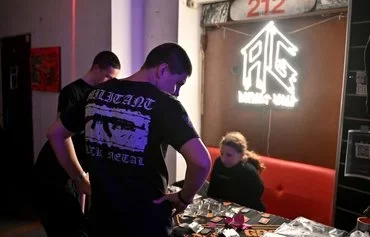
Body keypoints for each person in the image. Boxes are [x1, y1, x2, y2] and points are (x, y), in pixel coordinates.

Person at [46, 42, 211, 237]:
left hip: (102, 219)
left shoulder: (95, 93)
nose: (176, 91)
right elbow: (201, 162)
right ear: (163, 69)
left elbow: (55, 134)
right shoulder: (166, 104)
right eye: (178, 83)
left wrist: (79, 177)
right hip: (146, 223)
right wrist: (184, 198)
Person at [32, 51, 121, 237]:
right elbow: (63, 136)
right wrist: (79, 177)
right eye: (108, 76)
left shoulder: (100, 94)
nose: (110, 83)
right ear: (96, 68)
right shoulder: (71, 92)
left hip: (74, 172)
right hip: (54, 171)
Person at [207, 131, 266, 212]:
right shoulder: (219, 163)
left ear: (241, 155)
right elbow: (212, 191)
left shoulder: (249, 172)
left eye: (229, 155)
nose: (223, 159)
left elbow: (252, 201)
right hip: (222, 209)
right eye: (222, 153)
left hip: (248, 212)